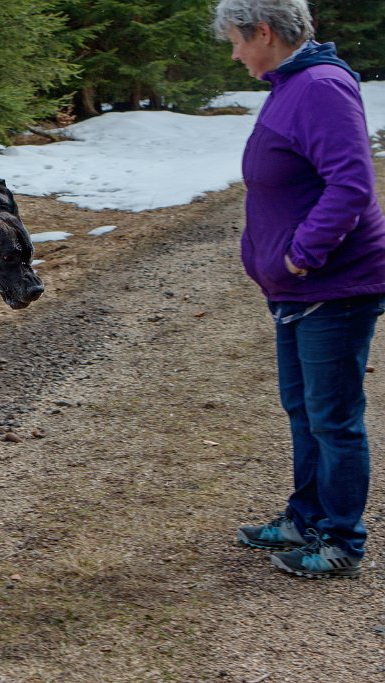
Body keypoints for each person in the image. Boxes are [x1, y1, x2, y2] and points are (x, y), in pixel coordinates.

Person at [213, 0, 385, 579]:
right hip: (296, 291)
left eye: (236, 40)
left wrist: (301, 255)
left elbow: (352, 184)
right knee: (303, 410)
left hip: (333, 287)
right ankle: (306, 517)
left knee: (333, 419)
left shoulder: (320, 87)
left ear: (264, 31)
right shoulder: (292, 83)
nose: (233, 52)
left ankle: (340, 542)